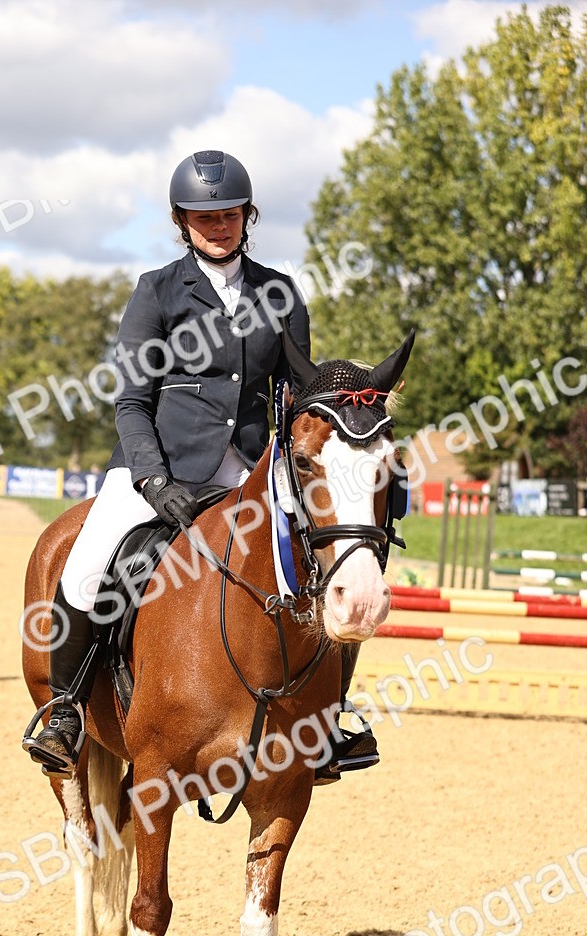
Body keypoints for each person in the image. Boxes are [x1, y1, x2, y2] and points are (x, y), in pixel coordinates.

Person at [24, 150, 376, 777]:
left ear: (248, 216)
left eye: (230, 214)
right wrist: (154, 480)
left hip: (250, 470)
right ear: (182, 221)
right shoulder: (157, 291)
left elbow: (295, 396)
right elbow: (132, 401)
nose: (219, 225)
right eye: (204, 216)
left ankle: (329, 720)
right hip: (155, 465)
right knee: (87, 563)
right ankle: (67, 711)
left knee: (328, 562)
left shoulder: (280, 293)